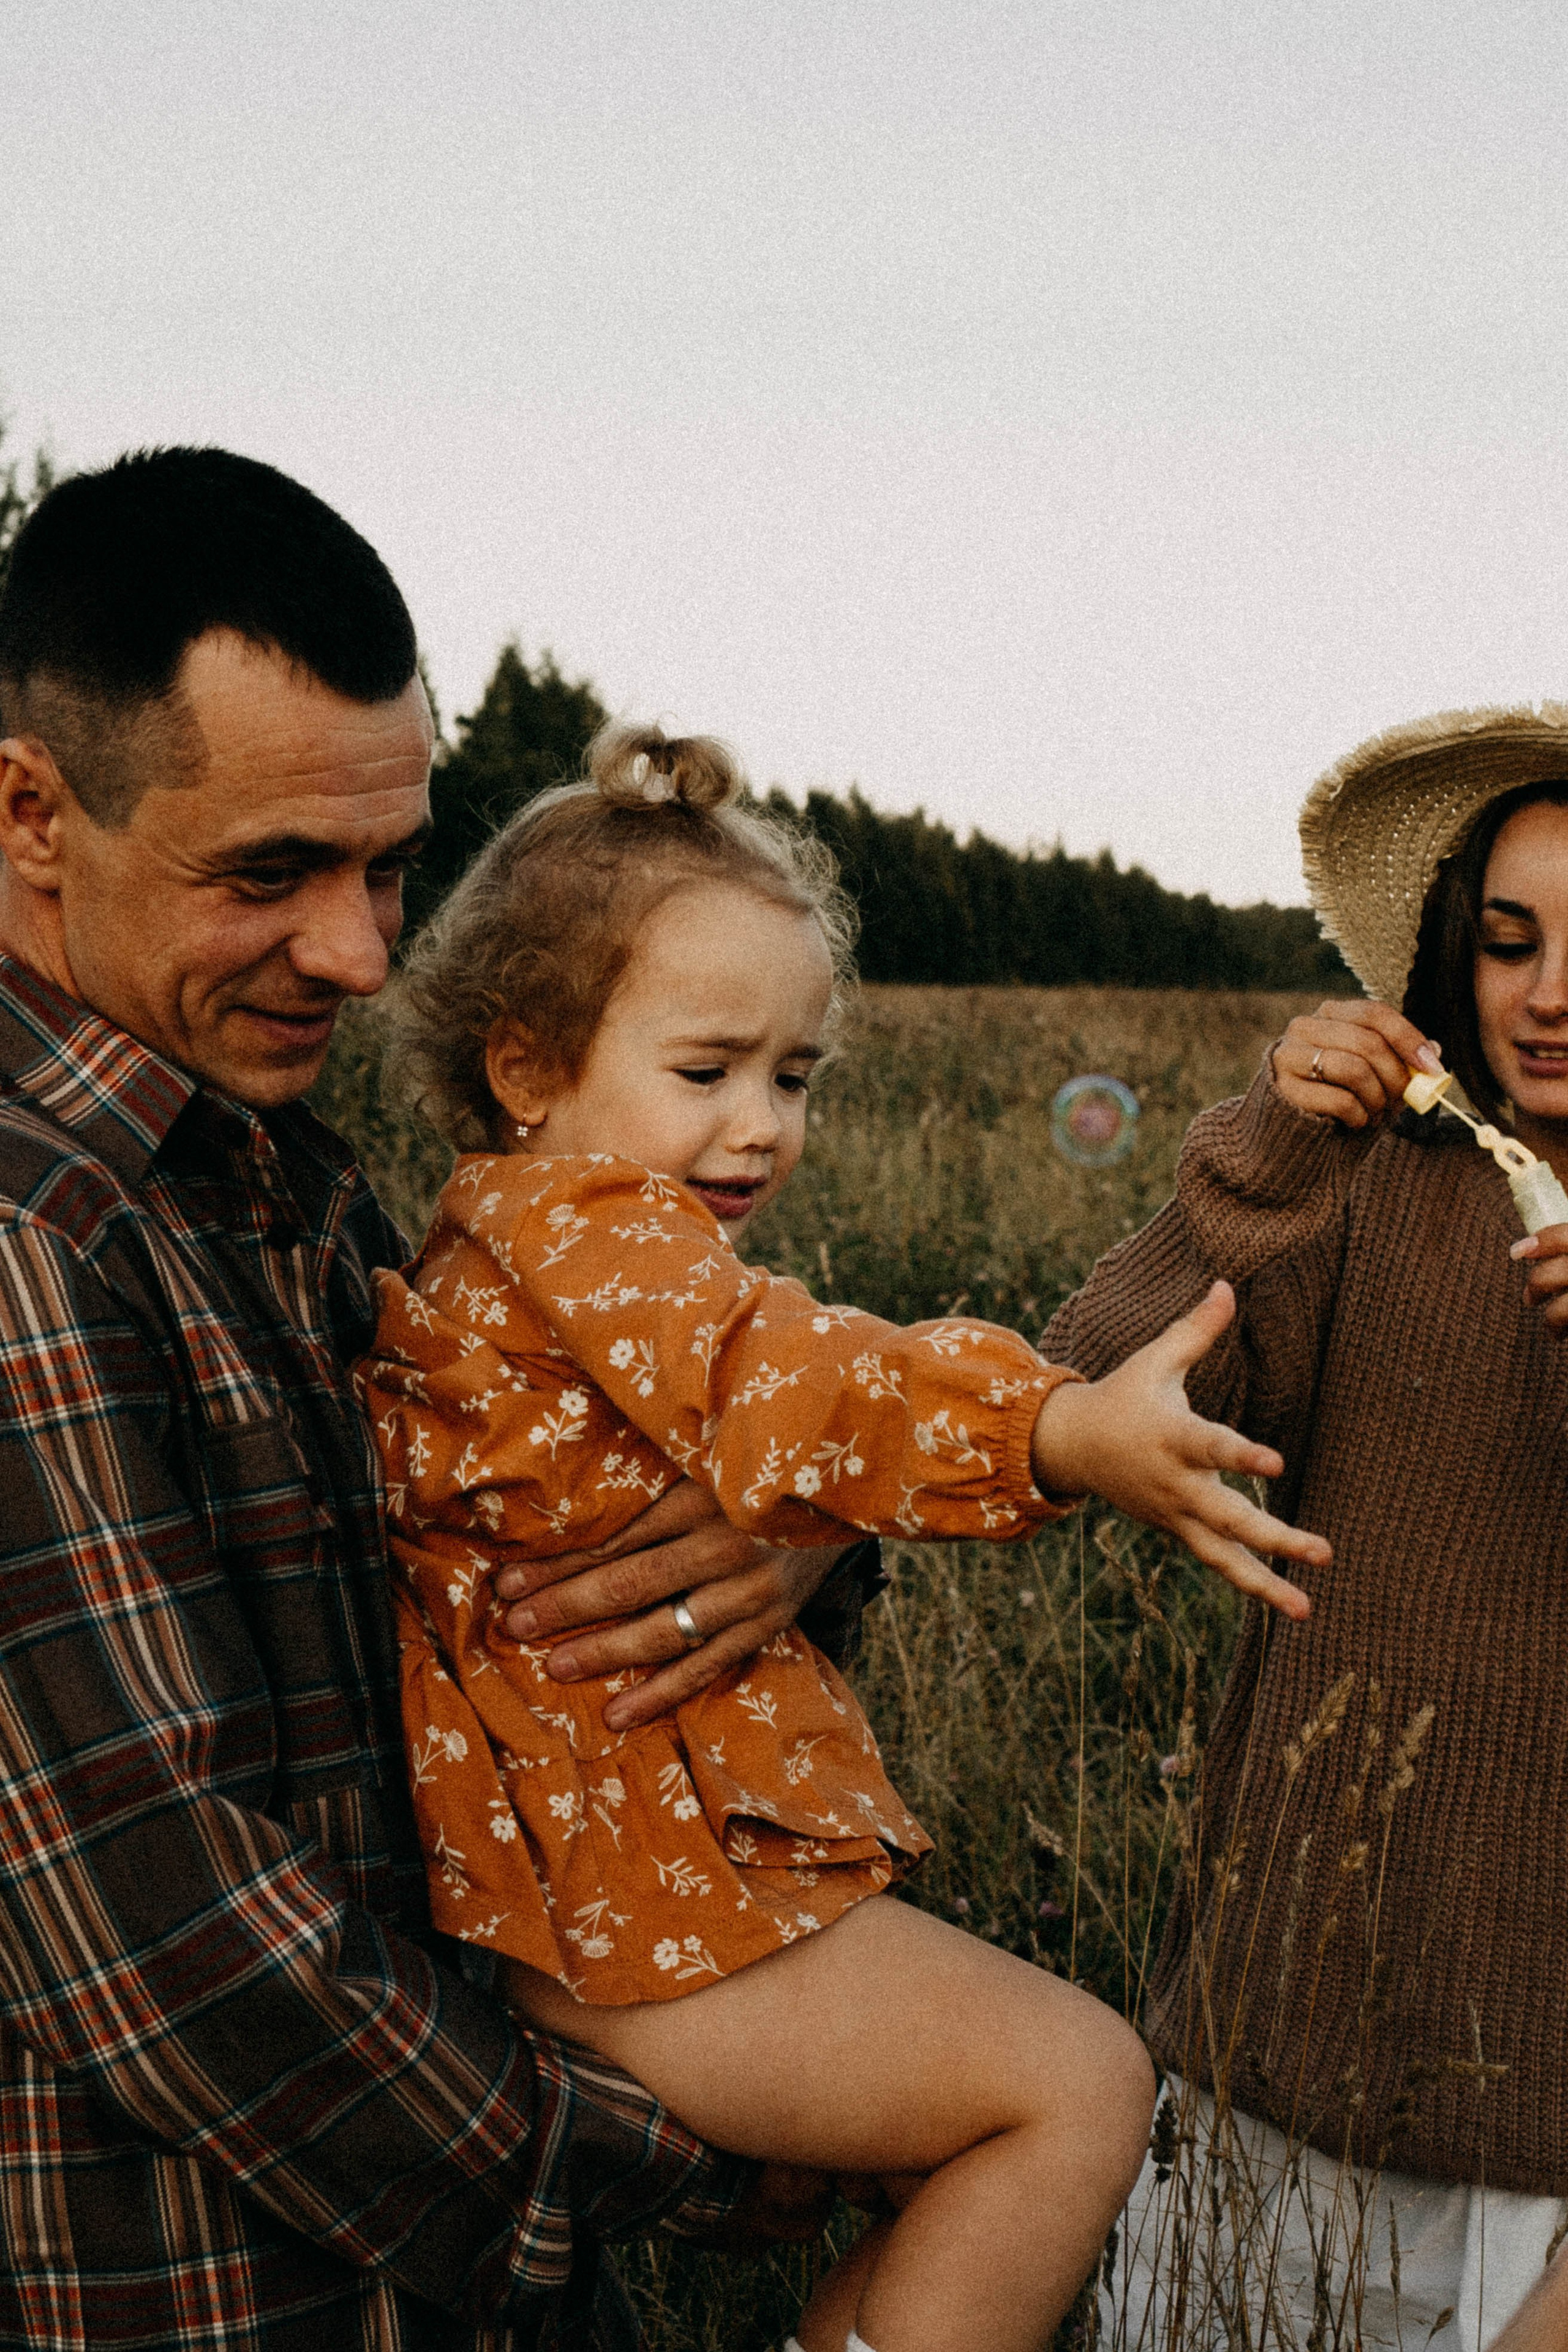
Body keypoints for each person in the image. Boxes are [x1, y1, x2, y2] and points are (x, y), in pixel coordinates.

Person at [0, 447, 883, 2352]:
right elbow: (180, 1944)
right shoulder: (31, 1242)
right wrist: (683, 2163)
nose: (361, 952)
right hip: (220, 2299)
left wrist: (790, 1535)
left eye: (390, 867)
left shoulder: (272, 1167)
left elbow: (514, 1533)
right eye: (273, 873)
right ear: (29, 815)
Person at [357, 723, 1332, 2352]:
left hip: (615, 1895)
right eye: (706, 1069)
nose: (762, 1126)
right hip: (633, 1919)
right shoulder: (588, 1231)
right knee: (1078, 2088)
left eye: (794, 1077)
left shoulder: (518, 1233)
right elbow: (800, 1387)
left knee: (1005, 2130)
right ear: (527, 1068)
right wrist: (1056, 1428)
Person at [1044, 705, 1568, 2352]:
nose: (1549, 993)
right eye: (1508, 940)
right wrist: (1272, 1142)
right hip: (1281, 2042)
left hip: (1547, 2113)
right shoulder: (1378, 1174)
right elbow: (1094, 1375)